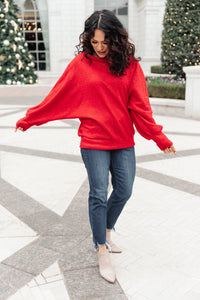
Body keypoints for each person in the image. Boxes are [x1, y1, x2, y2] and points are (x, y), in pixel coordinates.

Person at [15, 10, 176, 284]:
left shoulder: (130, 66)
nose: (99, 48)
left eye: (105, 42)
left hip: (123, 140)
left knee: (124, 191)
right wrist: (30, 119)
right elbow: (56, 96)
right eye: (94, 42)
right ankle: (101, 248)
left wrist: (159, 138)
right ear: (88, 39)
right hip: (93, 141)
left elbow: (140, 108)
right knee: (99, 195)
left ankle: (106, 230)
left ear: (116, 39)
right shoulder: (81, 64)